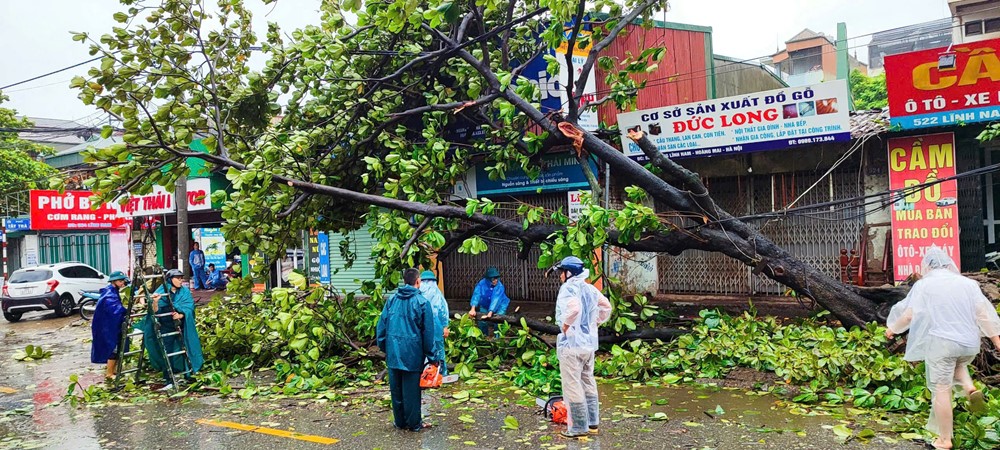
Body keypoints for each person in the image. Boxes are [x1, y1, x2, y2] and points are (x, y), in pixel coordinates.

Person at [886, 247, 1000, 450]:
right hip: (969, 343)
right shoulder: (968, 284)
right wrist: (997, 341)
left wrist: (892, 329)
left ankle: (945, 440)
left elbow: (910, 314)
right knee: (957, 363)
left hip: (943, 343)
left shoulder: (925, 285)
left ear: (928, 266)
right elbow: (983, 314)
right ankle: (968, 386)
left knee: (942, 389)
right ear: (949, 264)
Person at [552, 256, 612, 439]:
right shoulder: (590, 289)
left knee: (572, 385)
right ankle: (593, 423)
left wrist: (566, 326)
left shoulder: (568, 289)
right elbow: (606, 306)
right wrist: (594, 324)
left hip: (571, 346)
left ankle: (578, 427)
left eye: (562, 272)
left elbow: (574, 309)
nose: (561, 276)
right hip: (588, 345)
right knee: (588, 381)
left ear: (568, 273)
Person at [376, 268, 438, 432]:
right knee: (411, 392)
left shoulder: (392, 300)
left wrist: (385, 348)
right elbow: (428, 334)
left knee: (396, 391)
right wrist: (433, 358)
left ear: (404, 281)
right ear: (418, 281)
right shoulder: (423, 303)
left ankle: (400, 422)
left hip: (393, 353)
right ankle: (414, 423)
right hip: (412, 354)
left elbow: (381, 327)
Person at [139, 269, 204, 388]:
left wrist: (181, 314)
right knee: (166, 351)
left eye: (181, 278)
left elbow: (189, 306)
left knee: (186, 349)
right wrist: (155, 302)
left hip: (180, 325)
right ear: (170, 279)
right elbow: (154, 311)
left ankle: (189, 375)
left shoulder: (184, 292)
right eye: (177, 278)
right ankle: (169, 378)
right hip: (165, 326)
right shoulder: (161, 291)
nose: (180, 280)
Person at [91, 271, 130, 379]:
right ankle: (109, 373)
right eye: (120, 281)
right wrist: (126, 310)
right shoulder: (109, 294)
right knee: (113, 349)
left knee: (117, 348)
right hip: (107, 327)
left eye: (123, 281)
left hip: (111, 325)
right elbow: (114, 309)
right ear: (113, 281)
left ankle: (113, 371)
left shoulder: (113, 291)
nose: (123, 283)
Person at [419, 270, 450, 375]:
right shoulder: (438, 295)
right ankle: (440, 374)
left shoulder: (418, 296)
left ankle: (426, 375)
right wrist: (445, 327)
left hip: (423, 330)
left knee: (424, 351)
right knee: (439, 351)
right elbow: (443, 312)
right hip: (437, 329)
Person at [467, 267, 510, 337]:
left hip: (500, 305)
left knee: (498, 322)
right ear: (488, 279)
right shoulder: (481, 283)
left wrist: (490, 312)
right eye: (493, 279)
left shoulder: (500, 286)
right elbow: (476, 294)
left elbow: (496, 299)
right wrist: (473, 308)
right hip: (485, 305)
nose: (495, 280)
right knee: (482, 321)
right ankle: (483, 337)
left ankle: (498, 339)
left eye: (496, 278)